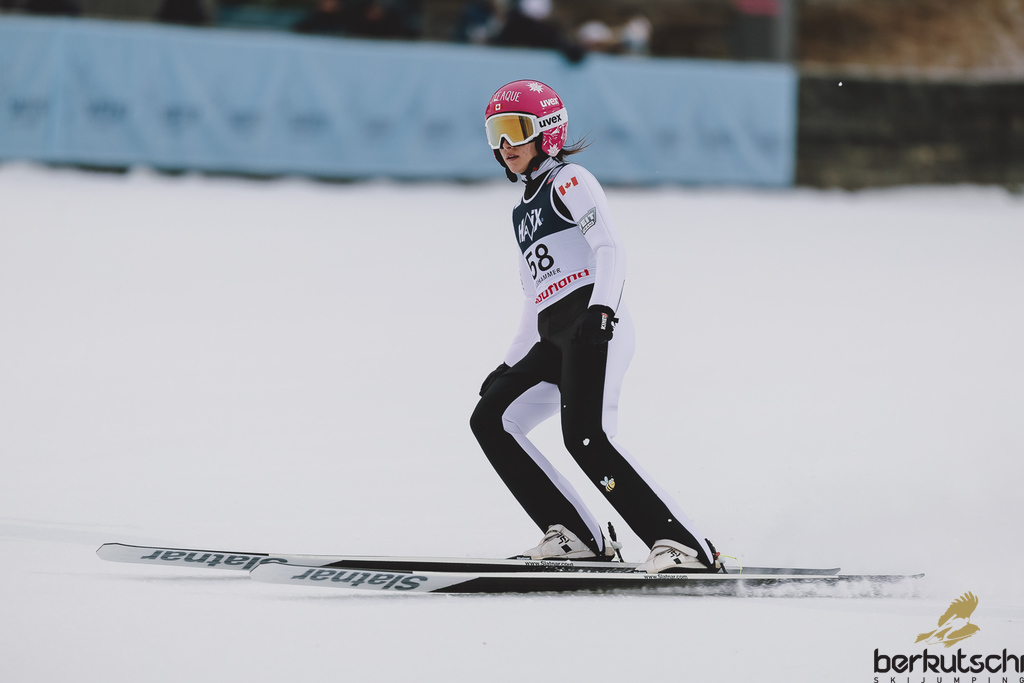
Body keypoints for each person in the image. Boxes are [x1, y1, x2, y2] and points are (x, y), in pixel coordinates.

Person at [470, 80, 720, 574]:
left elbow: (609, 247)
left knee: (586, 437)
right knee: (491, 418)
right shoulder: (521, 211)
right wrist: (509, 363)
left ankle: (683, 544)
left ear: (547, 131)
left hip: (592, 325)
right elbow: (534, 296)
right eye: (496, 133)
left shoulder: (570, 180)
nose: (505, 145)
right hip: (552, 334)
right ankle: (575, 537)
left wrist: (602, 309)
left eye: (516, 130)